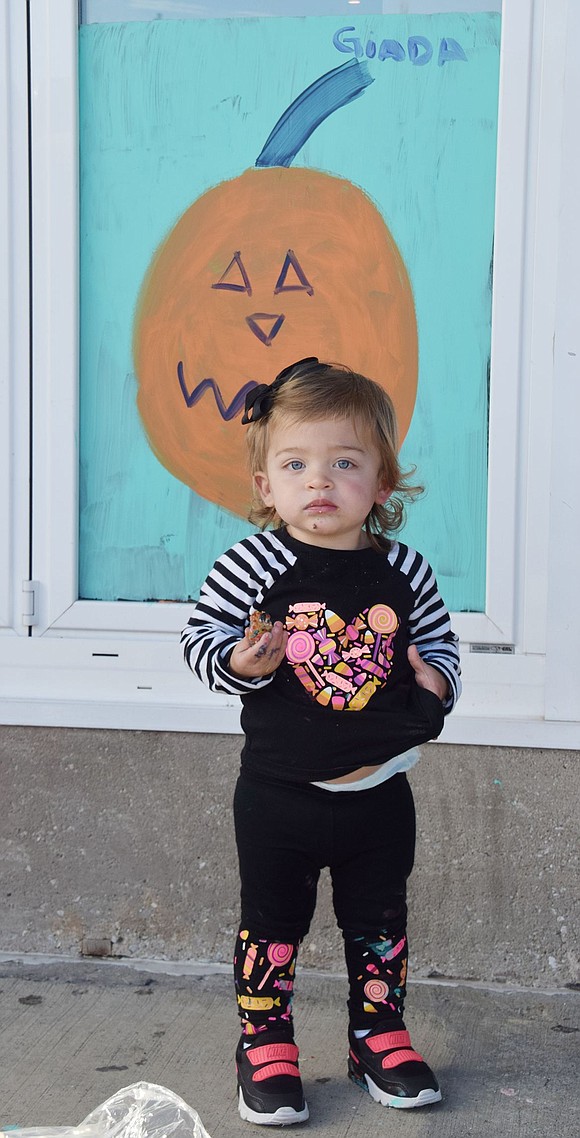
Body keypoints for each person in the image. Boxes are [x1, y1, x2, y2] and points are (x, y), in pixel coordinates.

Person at [181, 358, 461, 1126]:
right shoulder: (254, 564)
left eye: (345, 463)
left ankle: (379, 1034)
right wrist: (240, 661)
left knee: (379, 920)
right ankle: (264, 1044)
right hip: (279, 793)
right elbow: (200, 641)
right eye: (297, 464)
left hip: (380, 792)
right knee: (273, 920)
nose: (320, 482)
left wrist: (436, 683)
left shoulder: (404, 571)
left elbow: (438, 649)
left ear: (380, 485)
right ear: (268, 484)